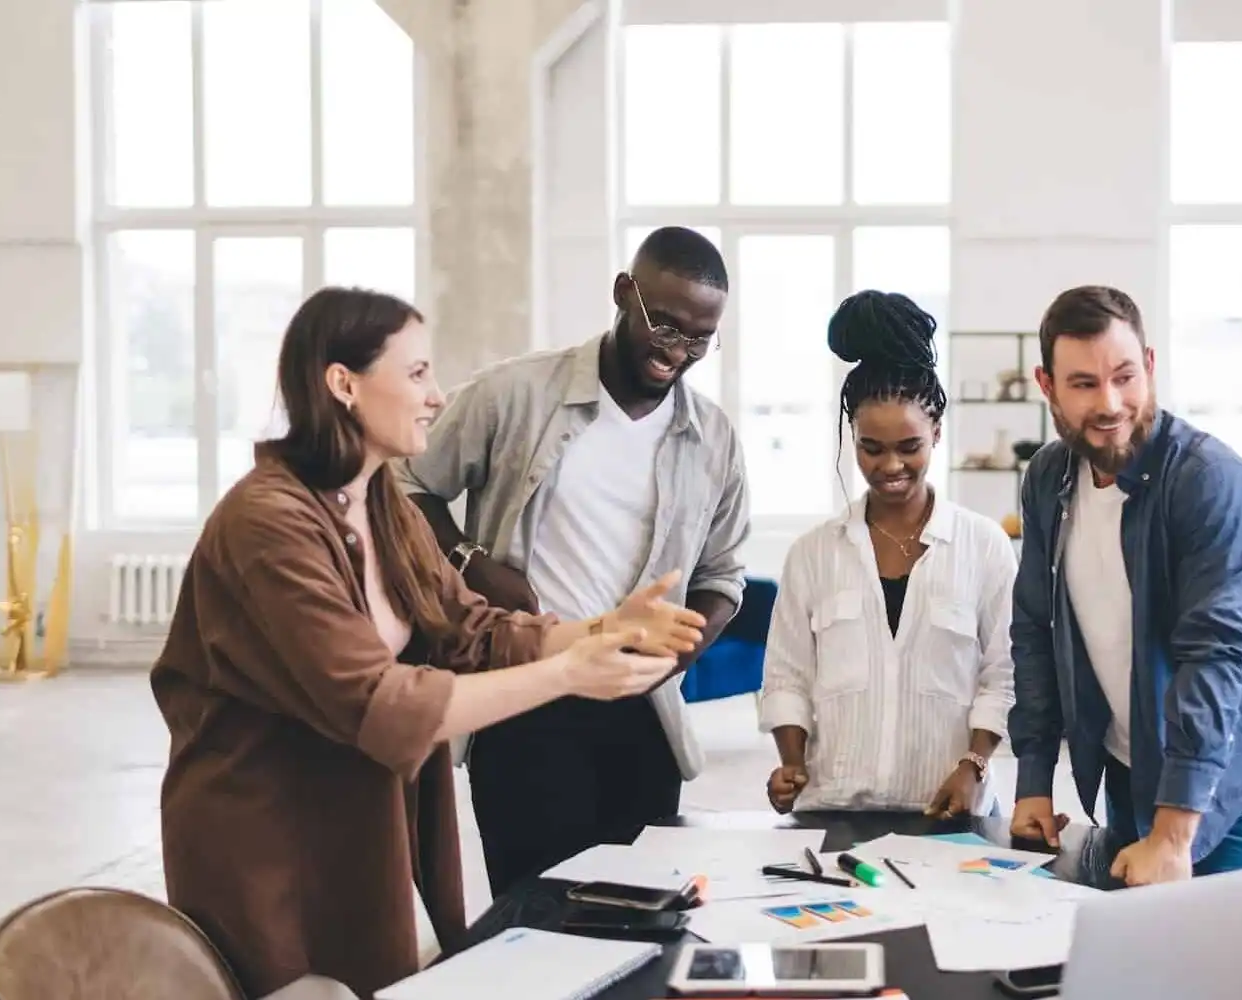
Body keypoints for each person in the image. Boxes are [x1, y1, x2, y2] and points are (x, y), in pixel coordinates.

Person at [152, 287, 706, 998]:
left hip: (358, 822)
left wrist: (605, 627)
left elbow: (474, 631)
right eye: (416, 374)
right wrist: (571, 671)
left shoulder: (382, 502)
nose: (437, 397)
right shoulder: (266, 524)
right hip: (265, 843)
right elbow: (380, 704)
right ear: (343, 383)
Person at [398, 226, 750, 896]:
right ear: (624, 293)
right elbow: (406, 486)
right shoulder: (515, 394)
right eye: (666, 326)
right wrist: (472, 561)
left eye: (699, 338)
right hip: (529, 689)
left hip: (641, 714)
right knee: (537, 914)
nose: (677, 351)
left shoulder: (712, 437)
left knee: (642, 916)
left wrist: (677, 654)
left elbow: (723, 574)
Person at [1005, 285, 1242, 885]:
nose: (1110, 402)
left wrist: (1171, 836)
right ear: (1047, 386)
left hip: (1228, 780)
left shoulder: (1209, 481)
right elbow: (1035, 630)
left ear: (1149, 364)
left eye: (1124, 376)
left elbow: (1214, 657)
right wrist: (1033, 780)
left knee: (1203, 974)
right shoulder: (1046, 479)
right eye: (1084, 384)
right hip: (1128, 766)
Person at [757, 291, 1017, 816]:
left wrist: (974, 766)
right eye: (871, 448)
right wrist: (790, 762)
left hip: (949, 812)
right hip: (832, 809)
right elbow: (786, 676)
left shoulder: (983, 545)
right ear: (851, 436)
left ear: (937, 434)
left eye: (909, 447)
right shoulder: (813, 554)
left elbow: (1006, 673)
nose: (890, 465)